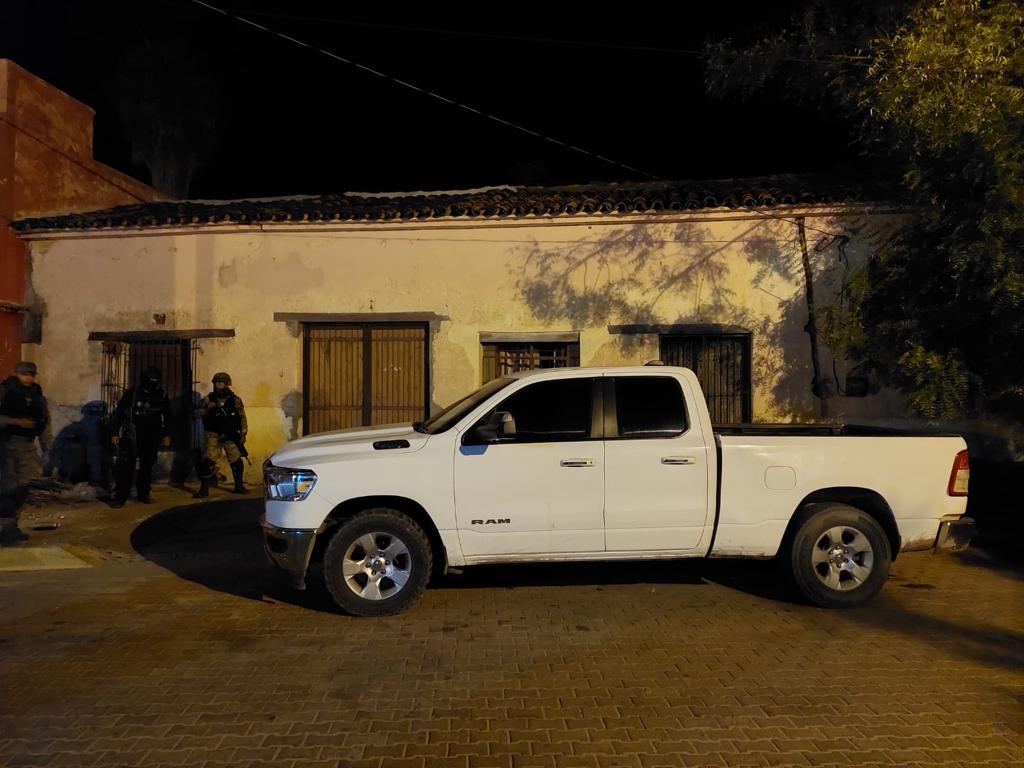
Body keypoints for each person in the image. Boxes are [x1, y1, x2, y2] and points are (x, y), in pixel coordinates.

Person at [108, 366, 173, 508]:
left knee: (147, 467)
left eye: (155, 380)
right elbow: (119, 414)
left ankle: (143, 494)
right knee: (126, 467)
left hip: (151, 436)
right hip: (132, 435)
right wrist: (114, 433)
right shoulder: (132, 394)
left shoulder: (161, 395)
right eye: (150, 380)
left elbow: (168, 416)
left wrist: (167, 434)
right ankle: (121, 497)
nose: (152, 383)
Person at [0, 361, 49, 544]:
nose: (28, 378)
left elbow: (44, 420)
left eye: (31, 374)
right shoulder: (5, 390)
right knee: (9, 490)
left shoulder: (36, 393)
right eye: (24, 374)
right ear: (16, 373)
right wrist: (17, 422)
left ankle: (12, 528)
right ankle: (6, 531)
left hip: (28, 446)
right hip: (8, 445)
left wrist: (46, 446)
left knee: (22, 489)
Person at [193, 372, 248, 498]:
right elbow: (195, 414)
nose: (217, 384)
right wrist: (206, 409)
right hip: (213, 435)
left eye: (220, 382)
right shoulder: (208, 399)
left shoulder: (235, 400)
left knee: (237, 461)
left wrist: (243, 433)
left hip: (230, 435)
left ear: (227, 384)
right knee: (208, 462)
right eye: (216, 382)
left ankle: (239, 486)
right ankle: (204, 490)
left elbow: (242, 417)